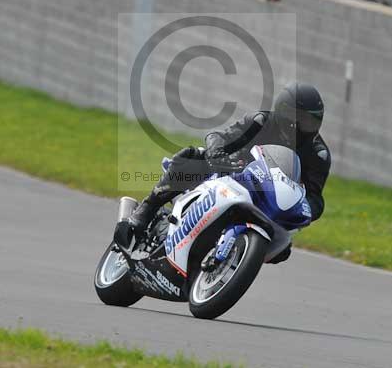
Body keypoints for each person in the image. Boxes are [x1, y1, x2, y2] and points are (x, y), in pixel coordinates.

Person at [117, 83, 331, 262]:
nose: (304, 127)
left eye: (311, 121)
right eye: (300, 119)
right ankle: (144, 212)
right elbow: (220, 136)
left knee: (282, 251)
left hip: (269, 199)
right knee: (192, 157)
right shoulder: (261, 122)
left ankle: (231, 261)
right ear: (283, 111)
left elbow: (315, 197)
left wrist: (305, 209)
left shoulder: (318, 154)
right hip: (233, 174)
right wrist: (218, 153)